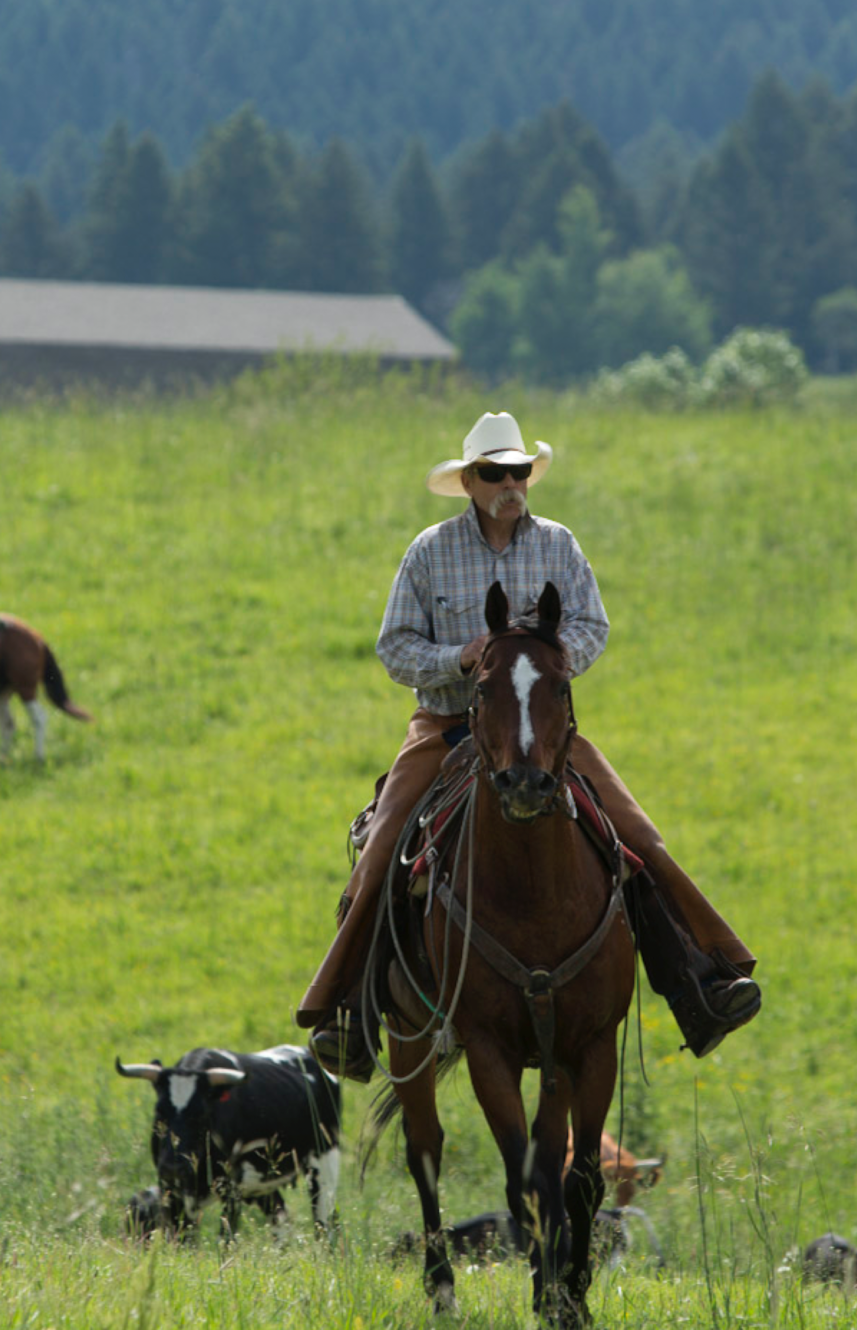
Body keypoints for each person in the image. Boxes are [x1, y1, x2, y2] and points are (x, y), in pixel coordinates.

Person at [295, 411, 761, 1081]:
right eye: (494, 473)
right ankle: (347, 1014)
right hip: (447, 728)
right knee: (383, 846)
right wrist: (462, 657)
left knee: (638, 837)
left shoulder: (559, 545)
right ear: (470, 482)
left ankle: (703, 983)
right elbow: (393, 648)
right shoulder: (429, 551)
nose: (510, 483)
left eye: (518, 471)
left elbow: (594, 626)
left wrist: (546, 664)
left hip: (544, 738)